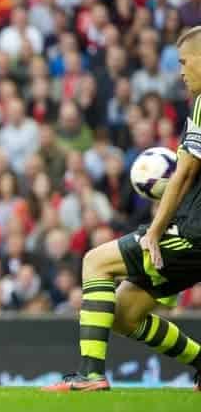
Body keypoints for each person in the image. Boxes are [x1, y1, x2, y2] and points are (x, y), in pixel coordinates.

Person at [44, 27, 201, 392]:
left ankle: (90, 374)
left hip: (195, 232)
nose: (180, 71)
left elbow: (184, 172)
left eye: (184, 62)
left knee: (96, 262)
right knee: (125, 313)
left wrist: (155, 232)